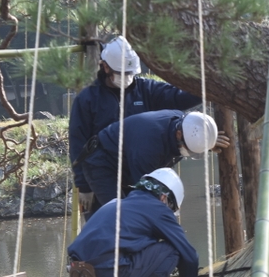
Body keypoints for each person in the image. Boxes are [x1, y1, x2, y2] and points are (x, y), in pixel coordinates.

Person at [69, 36, 202, 217]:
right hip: (102, 173)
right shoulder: (88, 99)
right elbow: (78, 144)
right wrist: (83, 185)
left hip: (137, 170)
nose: (127, 78)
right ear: (106, 67)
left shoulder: (146, 90)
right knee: (107, 223)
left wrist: (208, 88)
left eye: (130, 73)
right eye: (122, 73)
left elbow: (179, 97)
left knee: (138, 225)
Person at [67, 168, 197, 277]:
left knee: (111, 250)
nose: (170, 211)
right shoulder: (158, 209)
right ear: (163, 198)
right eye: (171, 207)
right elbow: (189, 255)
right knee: (172, 250)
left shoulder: (114, 204)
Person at [78, 109, 229, 208]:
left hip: (126, 164)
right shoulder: (149, 146)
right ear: (179, 134)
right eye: (188, 149)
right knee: (119, 217)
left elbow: (197, 134)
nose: (187, 153)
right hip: (102, 164)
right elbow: (145, 194)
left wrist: (208, 142)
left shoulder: (187, 125)